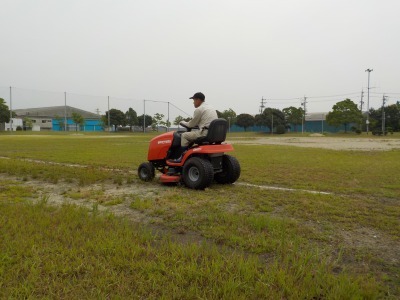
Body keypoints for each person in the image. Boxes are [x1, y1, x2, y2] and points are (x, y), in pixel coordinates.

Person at [169, 92, 218, 162]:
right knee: (192, 134)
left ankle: (182, 157)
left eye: (194, 100)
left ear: (198, 100)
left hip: (205, 133)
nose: (193, 102)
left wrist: (182, 122)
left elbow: (191, 124)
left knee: (184, 135)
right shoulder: (211, 108)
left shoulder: (199, 109)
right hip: (213, 133)